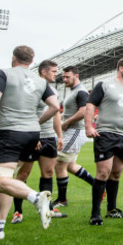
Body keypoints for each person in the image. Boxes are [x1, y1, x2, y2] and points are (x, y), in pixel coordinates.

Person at [0, 46, 59, 239]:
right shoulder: (40, 82)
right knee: (5, 180)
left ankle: (36, 198)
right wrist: (36, 122)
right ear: (32, 62)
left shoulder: (4, 74)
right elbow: (55, 106)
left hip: (10, 133)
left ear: (13, 58)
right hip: (33, 134)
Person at [85, 57, 123, 225]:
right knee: (103, 172)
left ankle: (111, 209)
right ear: (120, 68)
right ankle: (95, 213)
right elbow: (90, 105)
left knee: (116, 173)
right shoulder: (104, 85)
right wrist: (89, 126)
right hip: (105, 134)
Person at [11, 60, 66, 224]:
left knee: (48, 173)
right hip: (33, 137)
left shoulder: (53, 91)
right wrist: (33, 135)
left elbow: (56, 115)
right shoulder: (32, 88)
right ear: (43, 71)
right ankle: (17, 212)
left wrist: (60, 135)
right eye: (54, 71)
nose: (57, 74)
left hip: (49, 137)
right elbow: (26, 112)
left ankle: (46, 209)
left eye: (57, 71)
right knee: (23, 174)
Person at [53, 66, 95, 207]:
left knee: (59, 164)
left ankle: (62, 200)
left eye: (67, 77)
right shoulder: (72, 92)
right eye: (63, 77)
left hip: (75, 131)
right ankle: (98, 186)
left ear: (76, 75)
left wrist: (66, 123)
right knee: (70, 166)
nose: (64, 79)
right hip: (71, 131)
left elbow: (83, 111)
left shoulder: (81, 92)